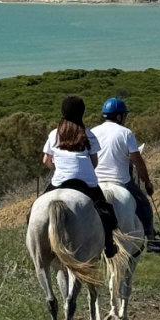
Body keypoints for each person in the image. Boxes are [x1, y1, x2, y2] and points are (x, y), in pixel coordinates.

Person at [41, 95, 119, 257]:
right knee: (106, 213)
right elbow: (94, 162)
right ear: (81, 113)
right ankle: (109, 245)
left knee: (36, 208)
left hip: (60, 181)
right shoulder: (88, 135)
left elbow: (46, 160)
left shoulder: (54, 134)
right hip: (87, 182)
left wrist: (57, 168)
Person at [91, 97, 160, 253]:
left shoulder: (92, 132)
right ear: (120, 116)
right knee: (144, 205)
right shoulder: (126, 133)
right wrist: (147, 182)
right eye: (124, 115)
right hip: (121, 181)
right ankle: (151, 238)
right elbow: (137, 161)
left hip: (95, 183)